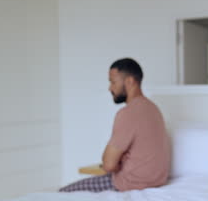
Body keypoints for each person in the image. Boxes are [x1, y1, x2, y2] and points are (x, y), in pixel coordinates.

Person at [60, 58, 170, 192]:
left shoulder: (128, 113)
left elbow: (108, 165)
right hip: (156, 182)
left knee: (62, 193)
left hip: (131, 183)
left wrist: (117, 162)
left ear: (129, 81)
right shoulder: (153, 108)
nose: (110, 88)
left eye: (113, 82)